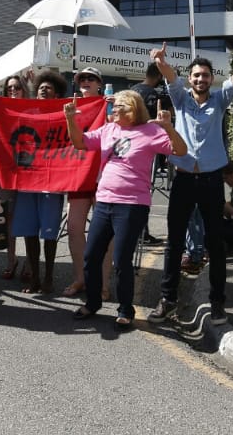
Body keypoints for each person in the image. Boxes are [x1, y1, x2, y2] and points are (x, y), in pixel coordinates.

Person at [148, 45, 233, 325]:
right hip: (184, 179)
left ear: (212, 79)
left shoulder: (219, 100)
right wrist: (161, 61)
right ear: (190, 79)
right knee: (175, 242)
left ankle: (217, 302)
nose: (201, 79)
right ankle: (168, 299)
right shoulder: (181, 99)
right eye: (196, 75)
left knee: (215, 242)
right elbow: (171, 78)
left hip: (211, 181)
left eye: (206, 75)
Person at [66, 90, 185, 328]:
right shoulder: (109, 130)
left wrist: (168, 127)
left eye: (119, 105)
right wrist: (70, 118)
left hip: (132, 205)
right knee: (91, 256)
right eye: (114, 105)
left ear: (132, 108)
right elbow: (79, 142)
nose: (113, 109)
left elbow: (180, 151)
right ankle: (92, 302)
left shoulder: (150, 131)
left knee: (121, 260)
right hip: (104, 202)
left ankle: (125, 309)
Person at [14, 70, 67, 293]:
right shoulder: (29, 113)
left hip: (52, 181)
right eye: (41, 87)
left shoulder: (63, 114)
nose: (44, 89)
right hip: (28, 180)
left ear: (57, 94)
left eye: (49, 87)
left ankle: (48, 278)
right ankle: (34, 277)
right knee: (29, 231)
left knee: (49, 232)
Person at [63, 66, 112, 299]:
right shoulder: (69, 106)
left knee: (104, 232)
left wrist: (114, 108)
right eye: (82, 78)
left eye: (91, 78)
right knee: (74, 228)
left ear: (99, 84)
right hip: (78, 174)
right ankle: (80, 278)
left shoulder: (110, 103)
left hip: (104, 175)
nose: (86, 81)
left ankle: (103, 283)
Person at [132, 62, 166, 246]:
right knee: (143, 192)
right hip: (147, 148)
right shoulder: (154, 94)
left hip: (128, 147)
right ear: (159, 76)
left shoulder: (132, 90)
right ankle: (143, 233)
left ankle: (135, 232)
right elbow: (159, 120)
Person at [0, 74, 29, 280]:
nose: (12, 90)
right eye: (9, 88)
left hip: (29, 172)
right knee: (8, 217)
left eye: (17, 87)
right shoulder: (0, 109)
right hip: (7, 171)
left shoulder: (33, 109)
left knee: (27, 218)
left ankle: (29, 262)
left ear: (24, 89)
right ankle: (12, 259)